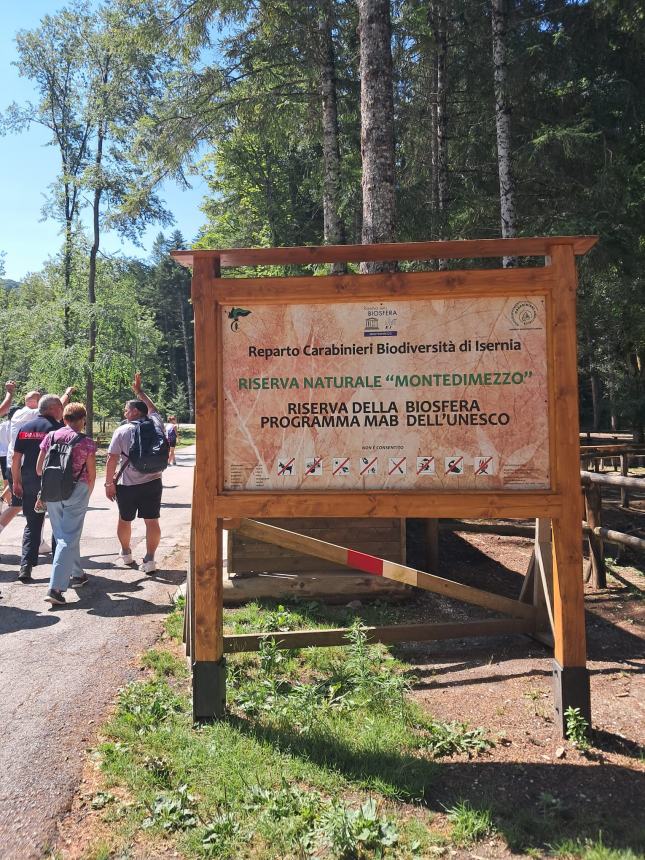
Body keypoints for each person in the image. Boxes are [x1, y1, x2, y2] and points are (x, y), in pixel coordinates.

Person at [36, 402, 97, 606]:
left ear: (64, 419)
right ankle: (56, 588)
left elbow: (38, 469)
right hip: (76, 490)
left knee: (64, 535)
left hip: (52, 490)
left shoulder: (51, 436)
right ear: (82, 420)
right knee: (68, 537)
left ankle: (78, 574)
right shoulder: (86, 442)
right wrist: (88, 493)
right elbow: (91, 473)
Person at [105, 373, 164, 574]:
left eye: (127, 409)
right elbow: (153, 409)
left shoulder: (122, 431)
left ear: (135, 412)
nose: (124, 411)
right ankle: (150, 559)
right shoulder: (156, 424)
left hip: (127, 484)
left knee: (124, 519)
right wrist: (139, 392)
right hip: (153, 481)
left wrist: (108, 483)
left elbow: (112, 459)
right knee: (152, 521)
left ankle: (126, 552)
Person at [0, 385, 74, 541]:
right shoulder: (34, 413)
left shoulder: (17, 414)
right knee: (18, 505)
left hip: (15, 464)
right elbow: (56, 404)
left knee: (36, 504)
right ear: (33, 402)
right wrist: (67, 393)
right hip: (27, 467)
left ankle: (38, 541)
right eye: (39, 398)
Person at [11, 394, 68, 581]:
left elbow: (16, 458)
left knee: (32, 524)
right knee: (58, 525)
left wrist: (16, 481)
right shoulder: (60, 429)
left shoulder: (25, 428)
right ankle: (57, 568)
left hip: (30, 482)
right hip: (55, 483)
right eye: (60, 408)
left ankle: (25, 567)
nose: (62, 411)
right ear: (53, 408)